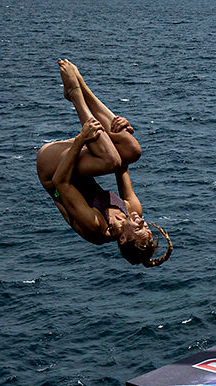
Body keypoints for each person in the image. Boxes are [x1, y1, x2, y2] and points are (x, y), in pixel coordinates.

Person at [36, 60, 171, 267]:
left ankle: (75, 95)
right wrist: (125, 131)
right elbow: (124, 163)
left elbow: (60, 183)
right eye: (146, 227)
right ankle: (83, 86)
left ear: (123, 239)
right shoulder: (132, 209)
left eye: (138, 229)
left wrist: (82, 139)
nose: (143, 222)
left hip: (52, 170)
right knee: (132, 150)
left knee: (110, 160)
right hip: (75, 165)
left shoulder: (96, 226)